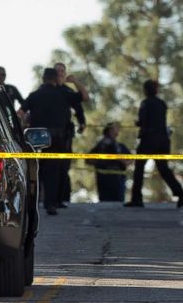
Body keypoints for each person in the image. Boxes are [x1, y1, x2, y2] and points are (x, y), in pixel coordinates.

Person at [21, 68, 82, 215]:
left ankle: (32, 202)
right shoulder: (63, 93)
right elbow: (83, 98)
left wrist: (24, 124)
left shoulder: (35, 95)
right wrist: (76, 82)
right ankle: (51, 203)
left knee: (34, 168)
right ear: (55, 79)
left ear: (43, 79)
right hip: (58, 138)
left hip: (36, 138)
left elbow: (20, 113)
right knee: (54, 170)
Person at [127, 80, 183, 208]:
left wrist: (138, 123)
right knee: (163, 168)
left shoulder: (145, 103)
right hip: (163, 140)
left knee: (139, 167)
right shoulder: (162, 104)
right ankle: (180, 192)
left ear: (145, 90)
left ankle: (136, 198)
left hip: (149, 139)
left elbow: (143, 121)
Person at [53, 62, 88, 207]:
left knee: (63, 168)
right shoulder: (46, 89)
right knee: (49, 168)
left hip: (65, 136)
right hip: (48, 136)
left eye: (63, 71)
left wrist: (75, 82)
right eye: (58, 71)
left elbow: (83, 101)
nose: (61, 73)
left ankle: (61, 199)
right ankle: (48, 199)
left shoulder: (67, 91)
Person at [89, 122, 132, 202]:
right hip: (104, 180)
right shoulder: (100, 146)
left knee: (118, 204)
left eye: (115, 130)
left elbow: (129, 161)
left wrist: (118, 156)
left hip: (118, 178)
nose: (114, 132)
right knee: (105, 204)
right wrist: (100, 154)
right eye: (112, 129)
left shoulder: (120, 146)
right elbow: (88, 160)